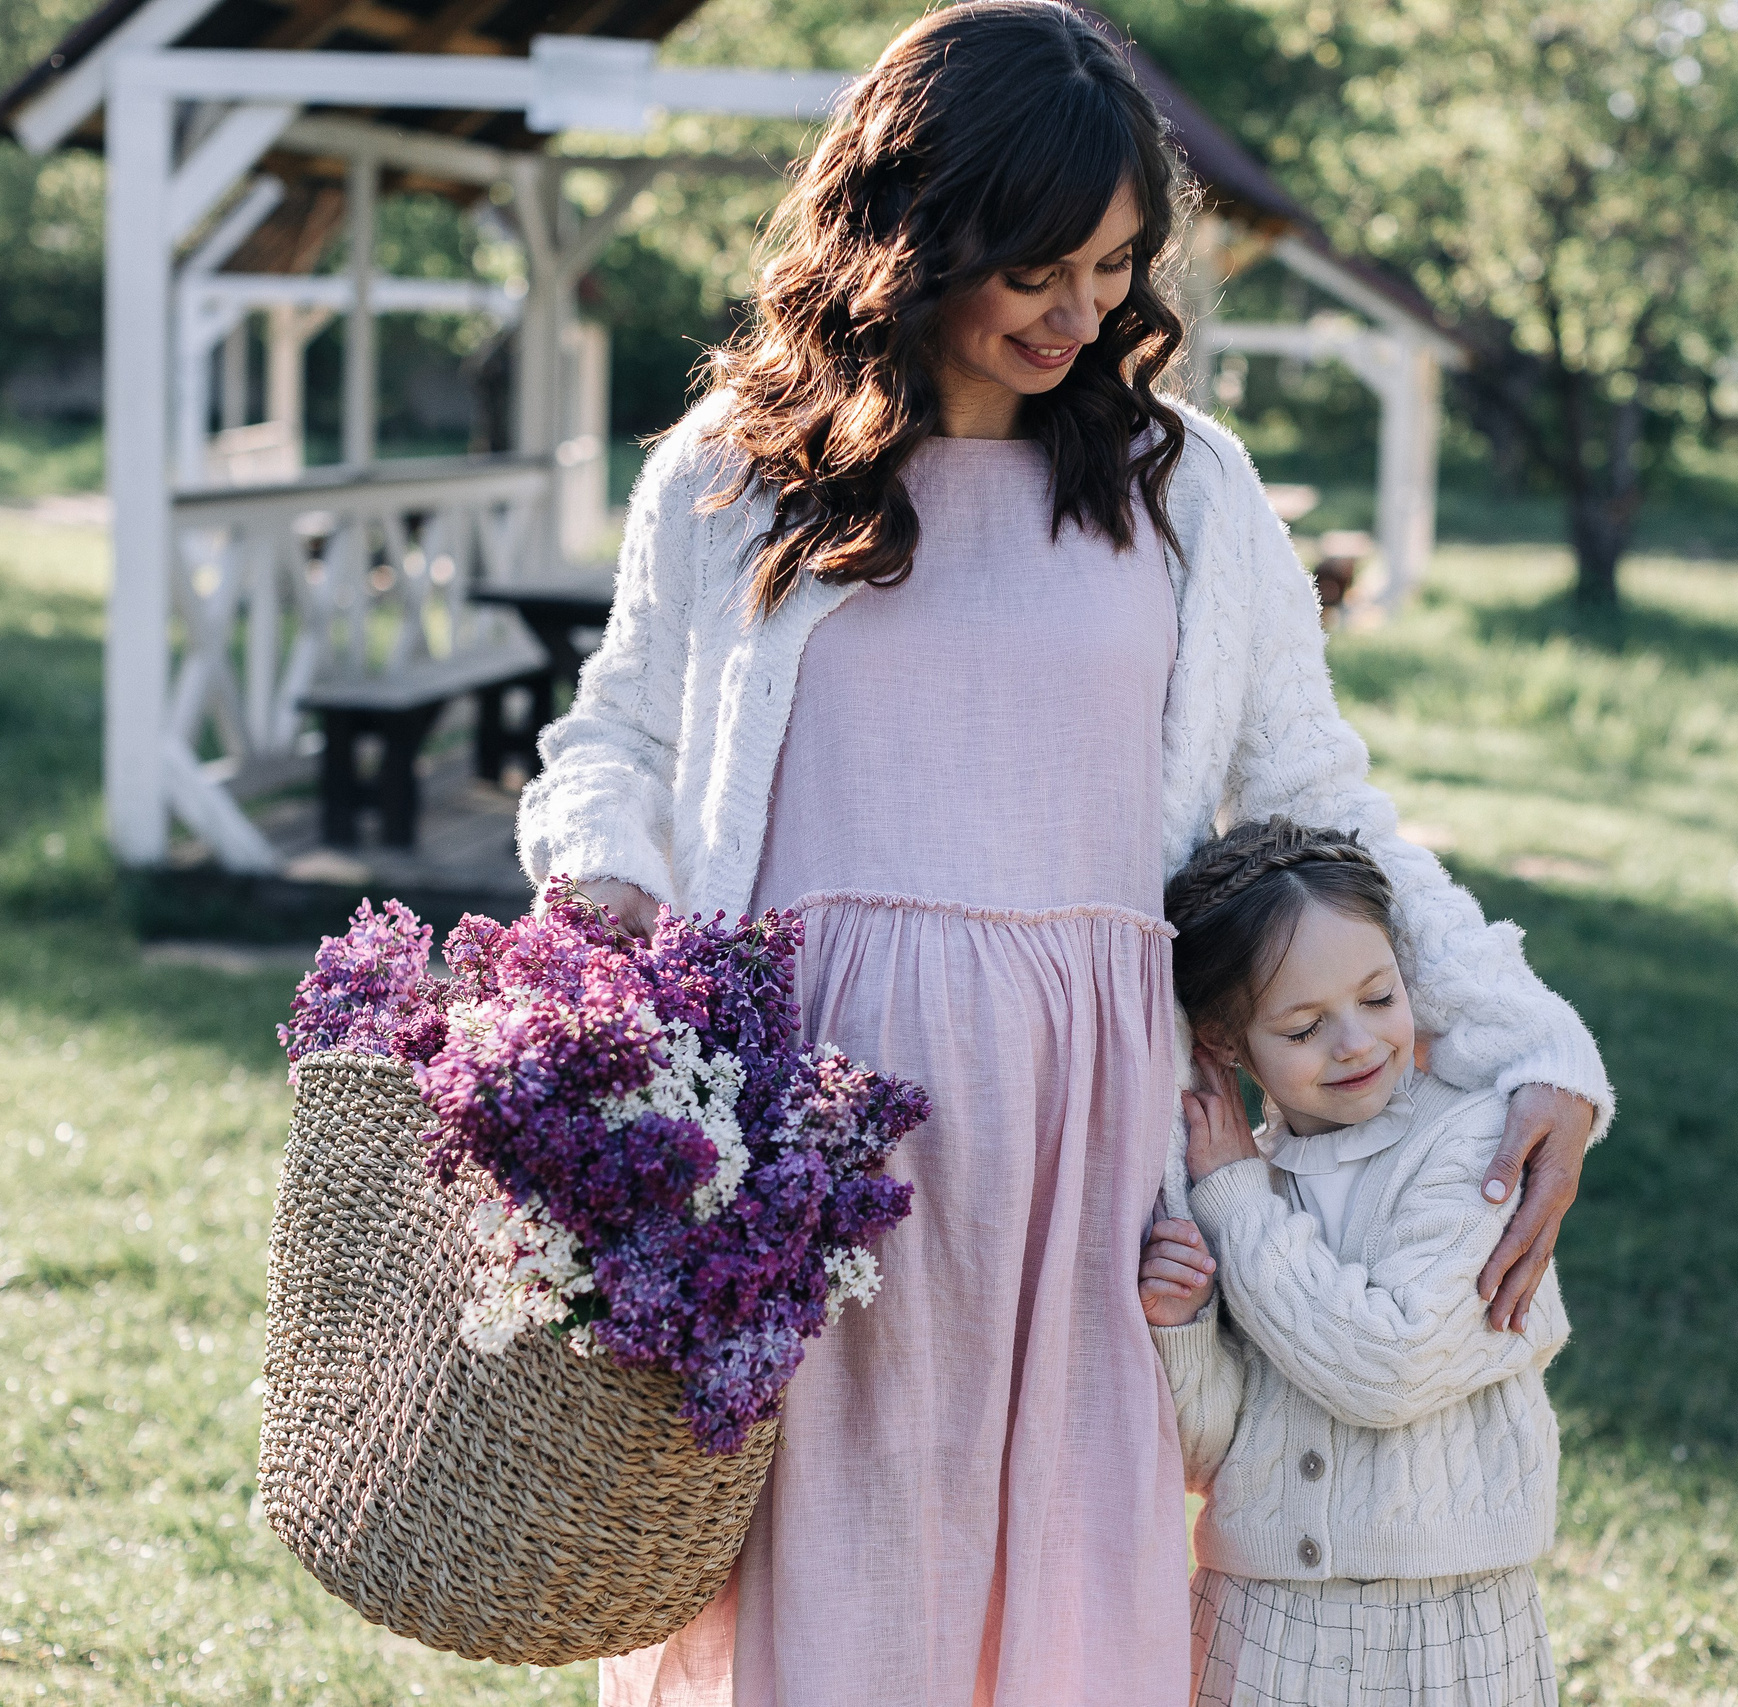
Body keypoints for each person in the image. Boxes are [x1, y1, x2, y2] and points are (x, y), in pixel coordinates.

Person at [514, 5, 1613, 1701]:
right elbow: (618, 740)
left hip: (1094, 1142)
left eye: (1112, 269)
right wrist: (602, 880)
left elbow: (1319, 796)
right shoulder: (735, 476)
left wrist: (1531, 1038)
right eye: (1041, 266)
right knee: (824, 1576)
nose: (1082, 312)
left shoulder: (1185, 489)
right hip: (816, 1144)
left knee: (1067, 1594)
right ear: (916, 227)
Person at [1141, 819, 1573, 1707]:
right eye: (1303, 1027)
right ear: (1225, 1042)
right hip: (1258, 1621)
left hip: (1447, 1622)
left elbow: (1389, 1365)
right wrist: (1181, 1331)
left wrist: (1236, 1204)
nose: (1356, 1043)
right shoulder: (1244, 1175)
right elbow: (1207, 1454)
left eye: (1379, 998)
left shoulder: (1474, 1147)